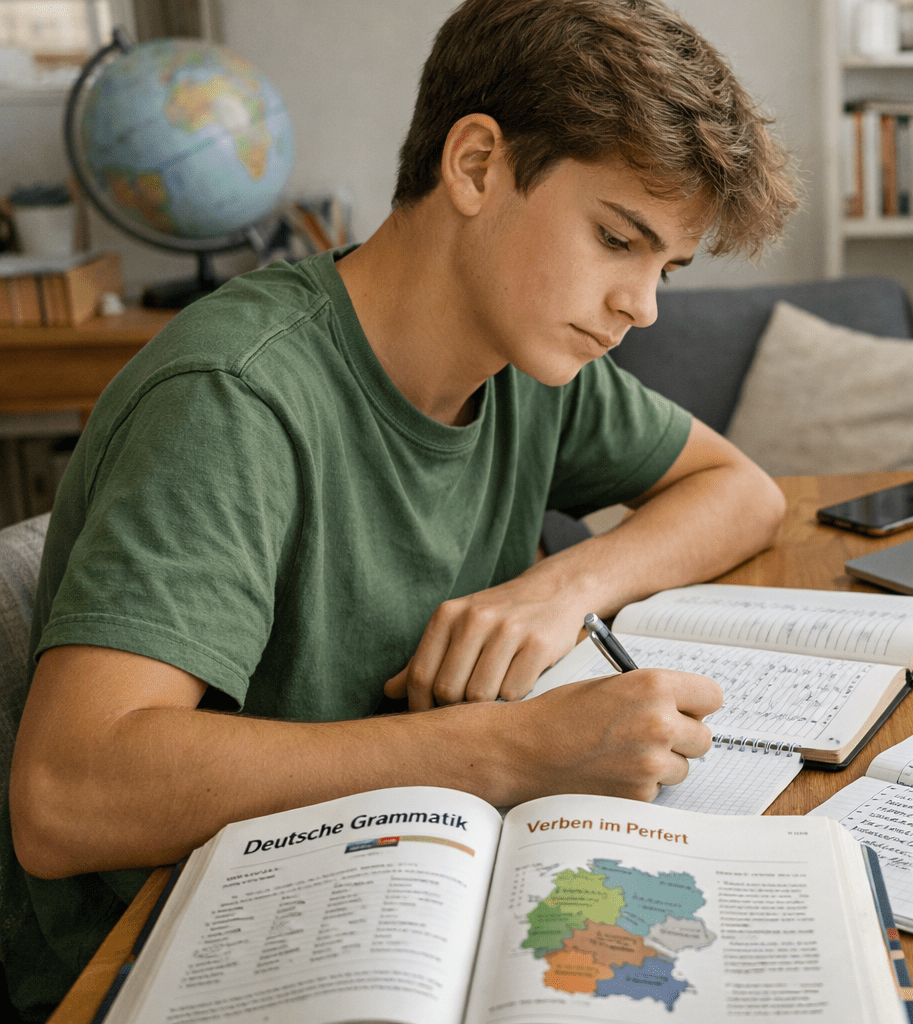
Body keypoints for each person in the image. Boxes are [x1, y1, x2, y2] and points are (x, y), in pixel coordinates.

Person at [3, 1, 798, 1016]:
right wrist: (508, 748)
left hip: (384, 893)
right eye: (616, 239)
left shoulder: (530, 363)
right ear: (475, 166)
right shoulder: (233, 400)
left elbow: (743, 491)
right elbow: (68, 794)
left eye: (665, 269)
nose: (642, 306)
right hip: (164, 957)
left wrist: (560, 588)